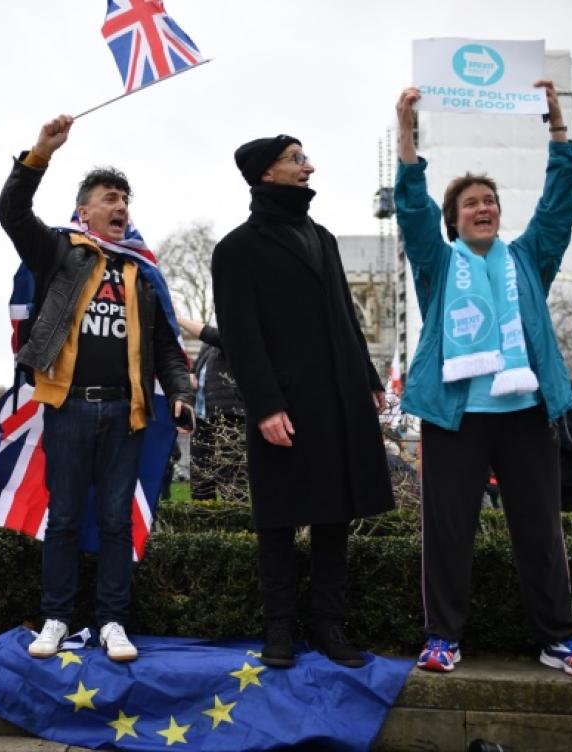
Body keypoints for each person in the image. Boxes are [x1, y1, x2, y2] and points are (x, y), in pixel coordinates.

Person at [395, 83, 572, 680]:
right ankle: (442, 638)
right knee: (449, 533)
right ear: (454, 220)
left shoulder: (528, 259)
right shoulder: (437, 263)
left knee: (540, 530)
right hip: (456, 418)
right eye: (470, 203)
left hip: (524, 415)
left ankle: (559, 639)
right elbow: (411, 209)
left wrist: (558, 130)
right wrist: (406, 132)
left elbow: (560, 206)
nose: (483, 207)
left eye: (489, 200)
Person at [0, 114, 194, 662]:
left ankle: (112, 622)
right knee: (62, 519)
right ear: (84, 211)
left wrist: (180, 390)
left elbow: (165, 347)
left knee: (114, 522)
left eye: (126, 198)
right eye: (110, 197)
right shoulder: (60, 253)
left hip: (126, 414)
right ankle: (56, 618)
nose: (121, 206)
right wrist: (38, 154)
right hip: (68, 409)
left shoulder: (142, 273)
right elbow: (10, 213)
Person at [212, 133, 395, 669]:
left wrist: (369, 378)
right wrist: (266, 406)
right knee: (279, 519)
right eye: (297, 159)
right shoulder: (236, 248)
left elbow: (346, 316)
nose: (309, 166)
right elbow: (242, 338)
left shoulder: (324, 238)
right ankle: (279, 629)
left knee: (335, 516)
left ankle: (329, 625)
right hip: (284, 406)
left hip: (338, 398)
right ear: (268, 172)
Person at [179, 317, 248, 502]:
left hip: (228, 419)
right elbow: (196, 374)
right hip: (202, 420)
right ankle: (205, 527)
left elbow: (212, 335)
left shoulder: (236, 333)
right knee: (200, 483)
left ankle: (235, 527)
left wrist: (178, 318)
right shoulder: (206, 347)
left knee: (231, 482)